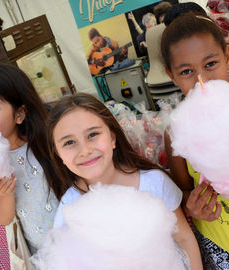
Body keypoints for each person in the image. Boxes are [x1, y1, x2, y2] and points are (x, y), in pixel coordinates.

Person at [47, 92, 203, 269]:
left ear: (112, 138)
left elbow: (184, 238)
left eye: (92, 135)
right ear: (58, 154)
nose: (85, 150)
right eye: (69, 143)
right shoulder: (70, 206)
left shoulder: (153, 183)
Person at [0, 64, 62, 256]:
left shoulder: (48, 143)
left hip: (76, 237)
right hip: (41, 252)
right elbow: (3, 219)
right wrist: (5, 195)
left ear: (19, 114)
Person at [160, 12, 229, 269]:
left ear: (227, 56)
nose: (202, 80)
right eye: (187, 71)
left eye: (211, 64)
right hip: (219, 244)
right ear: (172, 75)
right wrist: (193, 208)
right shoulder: (176, 131)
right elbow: (183, 191)